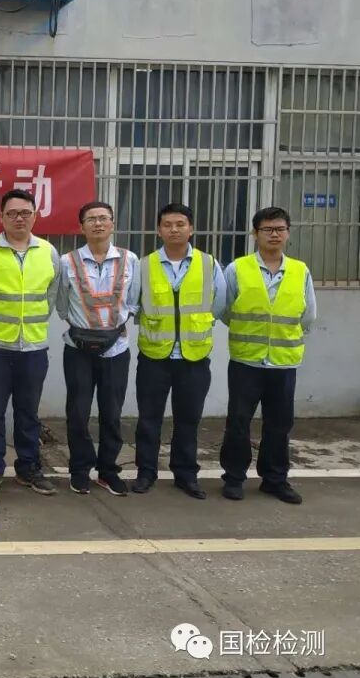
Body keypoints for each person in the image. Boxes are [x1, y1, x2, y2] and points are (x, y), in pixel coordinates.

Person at [218, 207, 316, 504]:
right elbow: (224, 309)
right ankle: (234, 478)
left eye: (280, 229)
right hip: (246, 360)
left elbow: (308, 315)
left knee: (279, 424)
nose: (274, 234)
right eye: (267, 229)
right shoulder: (237, 268)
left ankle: (274, 480)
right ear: (255, 233)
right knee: (238, 421)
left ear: (288, 233)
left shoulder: (300, 270)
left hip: (284, 362)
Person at [132, 203, 225, 500]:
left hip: (193, 357)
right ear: (158, 230)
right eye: (168, 224)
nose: (174, 229)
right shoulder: (144, 265)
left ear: (191, 229)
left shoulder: (209, 264)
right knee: (149, 419)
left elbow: (219, 303)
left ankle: (185, 474)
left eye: (180, 224)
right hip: (154, 357)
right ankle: (146, 472)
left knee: (188, 420)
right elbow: (134, 303)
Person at [0, 189, 61, 495]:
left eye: (25, 213)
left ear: (35, 216)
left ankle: (28, 468)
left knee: (28, 412)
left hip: (33, 347)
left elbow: (50, 297)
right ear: (1, 217)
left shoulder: (48, 252)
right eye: (12, 213)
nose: (19, 218)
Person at [56, 201, 140, 497]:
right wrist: (83, 326)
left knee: (112, 412)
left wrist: (113, 327)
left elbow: (133, 300)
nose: (98, 224)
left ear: (113, 223)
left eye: (104, 218)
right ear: (81, 227)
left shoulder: (130, 260)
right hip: (77, 348)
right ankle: (80, 471)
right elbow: (61, 303)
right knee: (78, 412)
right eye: (91, 219)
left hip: (116, 348)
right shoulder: (67, 262)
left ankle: (108, 471)